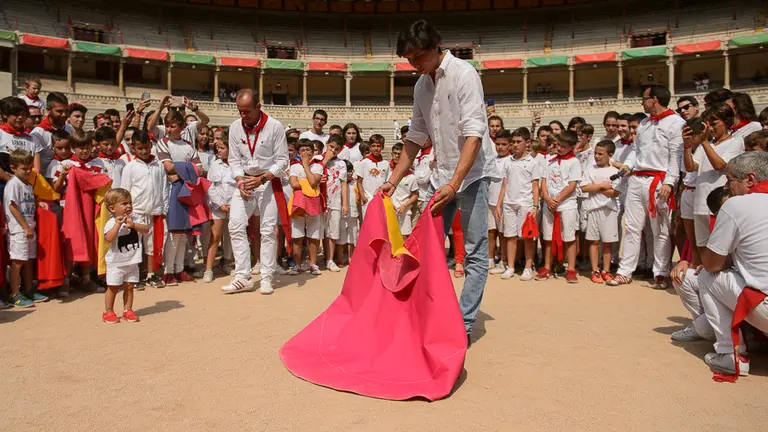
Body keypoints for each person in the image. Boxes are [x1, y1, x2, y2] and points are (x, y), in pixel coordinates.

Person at [383, 20, 499, 346]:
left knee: (475, 254)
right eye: (409, 60)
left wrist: (455, 183)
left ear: (435, 48)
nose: (415, 66)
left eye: (418, 58)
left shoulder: (464, 74)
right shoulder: (421, 85)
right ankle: (430, 313)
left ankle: (461, 325)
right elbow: (416, 138)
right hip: (440, 177)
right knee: (427, 247)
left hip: (472, 176)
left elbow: (475, 134)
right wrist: (393, 180)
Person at [670, 152, 768, 377]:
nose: (727, 187)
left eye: (730, 180)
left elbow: (712, 264)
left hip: (763, 307)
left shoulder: (736, 205)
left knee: (707, 275)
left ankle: (729, 354)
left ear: (750, 180)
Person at [607, 85, 684, 288]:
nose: (642, 101)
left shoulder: (676, 123)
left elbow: (676, 156)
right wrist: (627, 166)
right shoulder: (644, 123)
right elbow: (636, 151)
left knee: (660, 229)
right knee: (632, 227)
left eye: (644, 98)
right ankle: (625, 271)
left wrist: (669, 182)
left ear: (655, 99)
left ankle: (661, 272)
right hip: (637, 179)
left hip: (658, 181)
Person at [222, 88, 289, 295]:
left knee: (268, 230)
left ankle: (267, 276)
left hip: (267, 181)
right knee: (235, 225)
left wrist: (262, 178)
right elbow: (233, 160)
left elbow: (282, 160)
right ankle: (242, 276)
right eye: (239, 111)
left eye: (247, 111)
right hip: (244, 181)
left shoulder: (275, 126)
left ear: (258, 107)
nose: (243, 116)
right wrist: (240, 180)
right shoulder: (235, 127)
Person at [683, 103, 744, 254]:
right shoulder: (707, 144)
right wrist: (686, 147)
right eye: (707, 124)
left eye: (714, 123)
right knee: (702, 245)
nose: (709, 128)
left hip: (719, 203)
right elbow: (691, 167)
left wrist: (703, 142)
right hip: (700, 202)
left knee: (719, 248)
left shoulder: (735, 142)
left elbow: (719, 165)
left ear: (727, 122)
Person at [119, 130, 167, 289]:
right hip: (137, 213)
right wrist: (127, 212)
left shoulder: (158, 165)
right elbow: (125, 190)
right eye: (140, 148)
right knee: (135, 245)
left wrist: (163, 208)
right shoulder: (130, 167)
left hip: (154, 212)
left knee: (152, 246)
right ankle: (135, 276)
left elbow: (164, 188)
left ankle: (151, 275)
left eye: (146, 147)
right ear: (133, 148)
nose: (144, 151)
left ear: (150, 145)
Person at [536, 130, 582, 283]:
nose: (560, 149)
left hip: (566, 204)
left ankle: (571, 268)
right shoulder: (549, 159)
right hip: (549, 204)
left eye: (563, 146)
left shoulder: (574, 162)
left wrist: (557, 199)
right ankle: (547, 266)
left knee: (569, 237)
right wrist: (548, 198)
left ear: (572, 146)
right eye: (558, 145)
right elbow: (543, 180)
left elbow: (572, 185)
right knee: (548, 237)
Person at [496, 128, 541, 281]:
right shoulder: (507, 161)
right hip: (509, 203)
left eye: (518, 142)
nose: (515, 145)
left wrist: (535, 206)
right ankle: (510, 267)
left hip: (525, 204)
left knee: (527, 237)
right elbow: (504, 184)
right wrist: (499, 204)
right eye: (513, 142)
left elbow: (535, 186)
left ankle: (528, 267)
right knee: (510, 236)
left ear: (527, 143)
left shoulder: (532, 163)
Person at [3, 149, 46, 308]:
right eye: (24, 168)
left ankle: (28, 290)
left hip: (29, 228)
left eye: (30, 167)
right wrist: (25, 226)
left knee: (28, 261)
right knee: (18, 261)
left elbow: (25, 202)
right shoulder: (13, 184)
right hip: (19, 230)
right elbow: (13, 206)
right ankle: (15, 293)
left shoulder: (27, 184)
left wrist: (37, 203)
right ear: (13, 168)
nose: (28, 171)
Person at [101, 188, 148, 324]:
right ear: (112, 208)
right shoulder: (111, 222)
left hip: (132, 261)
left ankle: (128, 309)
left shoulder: (135, 219)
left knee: (130, 286)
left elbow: (146, 229)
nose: (128, 206)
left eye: (130, 203)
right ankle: (108, 311)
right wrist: (117, 225)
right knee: (113, 287)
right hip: (116, 263)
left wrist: (133, 225)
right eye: (124, 203)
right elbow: (108, 238)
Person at [580, 140, 620, 283]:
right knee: (594, 241)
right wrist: (602, 186)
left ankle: (606, 269)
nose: (597, 156)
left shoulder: (615, 171)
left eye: (600, 154)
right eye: (596, 153)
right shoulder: (591, 169)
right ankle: (595, 269)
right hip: (593, 209)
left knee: (608, 242)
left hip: (609, 210)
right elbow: (584, 188)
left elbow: (615, 192)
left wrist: (596, 187)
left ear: (610, 155)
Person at [288, 139, 324, 276]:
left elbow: (314, 182)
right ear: (298, 152)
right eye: (302, 150)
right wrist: (307, 182)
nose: (305, 152)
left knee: (313, 235)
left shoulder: (317, 166)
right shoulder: (294, 167)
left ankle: (313, 264)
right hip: (298, 203)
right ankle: (297, 265)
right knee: (297, 236)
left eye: (308, 150)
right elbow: (293, 184)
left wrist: (305, 167)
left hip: (314, 202)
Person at [204, 133, 236, 283]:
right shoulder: (215, 164)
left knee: (231, 236)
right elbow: (210, 187)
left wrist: (233, 204)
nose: (219, 151)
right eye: (217, 148)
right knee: (215, 237)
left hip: (234, 206)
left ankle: (228, 262)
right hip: (218, 206)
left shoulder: (237, 164)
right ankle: (209, 269)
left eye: (222, 148)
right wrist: (220, 204)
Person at [0, 97, 43, 181]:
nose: (20, 117)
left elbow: (36, 169)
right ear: (5, 114)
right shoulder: (1, 134)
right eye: (16, 114)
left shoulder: (33, 139)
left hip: (27, 185)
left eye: (23, 114)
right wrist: (10, 180)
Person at [322, 135, 349, 272]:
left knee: (333, 231)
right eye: (331, 147)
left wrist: (345, 204)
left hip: (335, 200)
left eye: (336, 149)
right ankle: (317, 258)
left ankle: (330, 259)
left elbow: (344, 184)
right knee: (319, 230)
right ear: (326, 144)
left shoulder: (341, 164)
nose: (333, 150)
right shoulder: (318, 160)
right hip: (320, 200)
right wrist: (325, 159)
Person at [487, 129, 511, 275]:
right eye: (498, 144)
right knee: (491, 231)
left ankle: (504, 260)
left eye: (503, 144)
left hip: (503, 202)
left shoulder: (510, 161)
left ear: (509, 145)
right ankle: (490, 258)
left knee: (503, 233)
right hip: (490, 200)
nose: (500, 147)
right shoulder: (492, 160)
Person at [31, 92, 73, 174]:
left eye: (66, 111)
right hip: (44, 181)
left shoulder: (69, 129)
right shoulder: (38, 133)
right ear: (48, 110)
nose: (64, 115)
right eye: (59, 111)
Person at [389, 142, 419, 238]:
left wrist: (404, 206)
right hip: (390, 211)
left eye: (399, 154)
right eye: (395, 153)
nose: (397, 156)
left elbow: (415, 195)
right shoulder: (387, 172)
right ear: (391, 154)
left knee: (404, 238)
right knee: (390, 237)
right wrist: (390, 204)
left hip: (404, 212)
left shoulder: (411, 177)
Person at [356, 134, 389, 218]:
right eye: (373, 146)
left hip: (381, 199)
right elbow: (359, 181)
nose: (376, 148)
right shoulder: (364, 162)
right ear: (370, 147)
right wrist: (363, 197)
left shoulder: (386, 164)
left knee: (380, 223)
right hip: (368, 199)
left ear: (382, 147)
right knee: (368, 224)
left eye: (378, 146)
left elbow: (387, 182)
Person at [339, 160, 359, 263]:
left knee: (352, 235)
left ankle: (351, 257)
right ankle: (340, 257)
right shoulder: (340, 183)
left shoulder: (355, 183)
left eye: (351, 171)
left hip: (353, 213)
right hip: (342, 213)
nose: (349, 173)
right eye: (347, 171)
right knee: (342, 235)